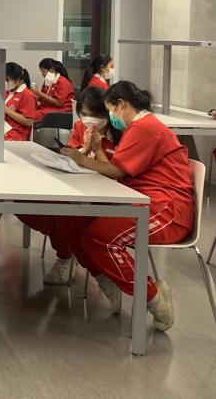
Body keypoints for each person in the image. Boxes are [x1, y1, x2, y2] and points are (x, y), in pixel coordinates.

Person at [56, 81, 193, 331]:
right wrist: (94, 149)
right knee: (74, 221)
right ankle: (108, 280)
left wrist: (80, 159)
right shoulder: (137, 127)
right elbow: (117, 169)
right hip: (140, 200)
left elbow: (116, 171)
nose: (110, 117)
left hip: (166, 209)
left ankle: (154, 299)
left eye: (109, 111)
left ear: (121, 105)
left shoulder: (144, 127)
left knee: (100, 238)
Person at [20, 86, 120, 285]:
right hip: (80, 185)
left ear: (106, 114)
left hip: (109, 194)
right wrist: (84, 149)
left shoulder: (119, 133)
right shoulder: (81, 127)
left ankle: (67, 257)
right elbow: (72, 156)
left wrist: (96, 149)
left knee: (64, 215)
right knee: (41, 207)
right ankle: (66, 252)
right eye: (84, 114)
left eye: (94, 115)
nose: (89, 119)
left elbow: (115, 171)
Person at [3, 62, 37, 141]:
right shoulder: (8, 92)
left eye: (7, 80)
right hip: (3, 129)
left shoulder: (28, 95)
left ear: (18, 79)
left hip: (16, 133)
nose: (5, 82)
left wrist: (8, 111)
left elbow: (29, 122)